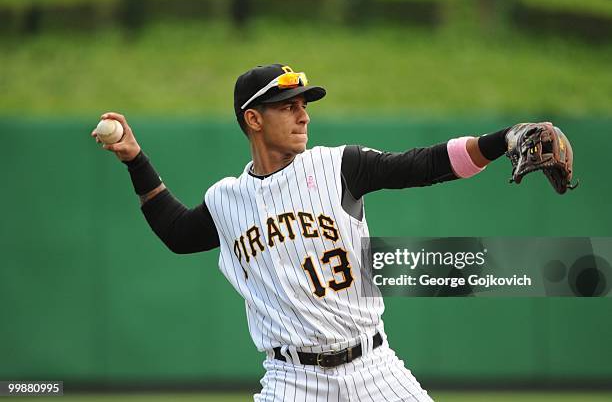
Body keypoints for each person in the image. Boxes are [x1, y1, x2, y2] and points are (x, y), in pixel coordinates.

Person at [91, 63, 545, 401]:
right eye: (288, 106)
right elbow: (176, 231)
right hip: (292, 380)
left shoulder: (338, 166)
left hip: (374, 368)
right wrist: (135, 159)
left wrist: (503, 139)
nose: (303, 115)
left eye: (304, 105)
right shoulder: (227, 199)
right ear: (254, 119)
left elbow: (424, 164)